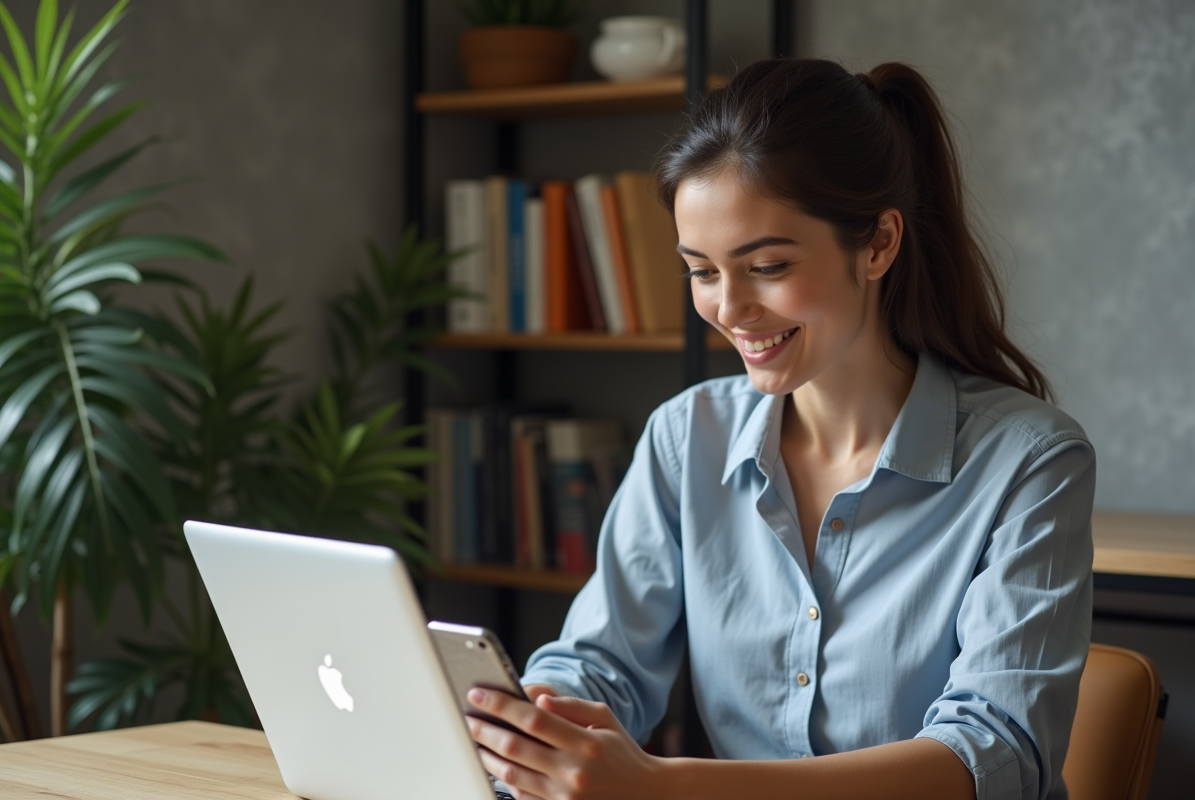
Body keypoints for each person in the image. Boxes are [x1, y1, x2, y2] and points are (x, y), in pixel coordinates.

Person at [464, 58, 1094, 800]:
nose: (729, 309)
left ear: (878, 245)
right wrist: (529, 730)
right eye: (701, 271)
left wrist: (663, 788)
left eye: (765, 266)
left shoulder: (1031, 462)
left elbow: (992, 758)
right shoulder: (685, 436)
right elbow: (601, 665)